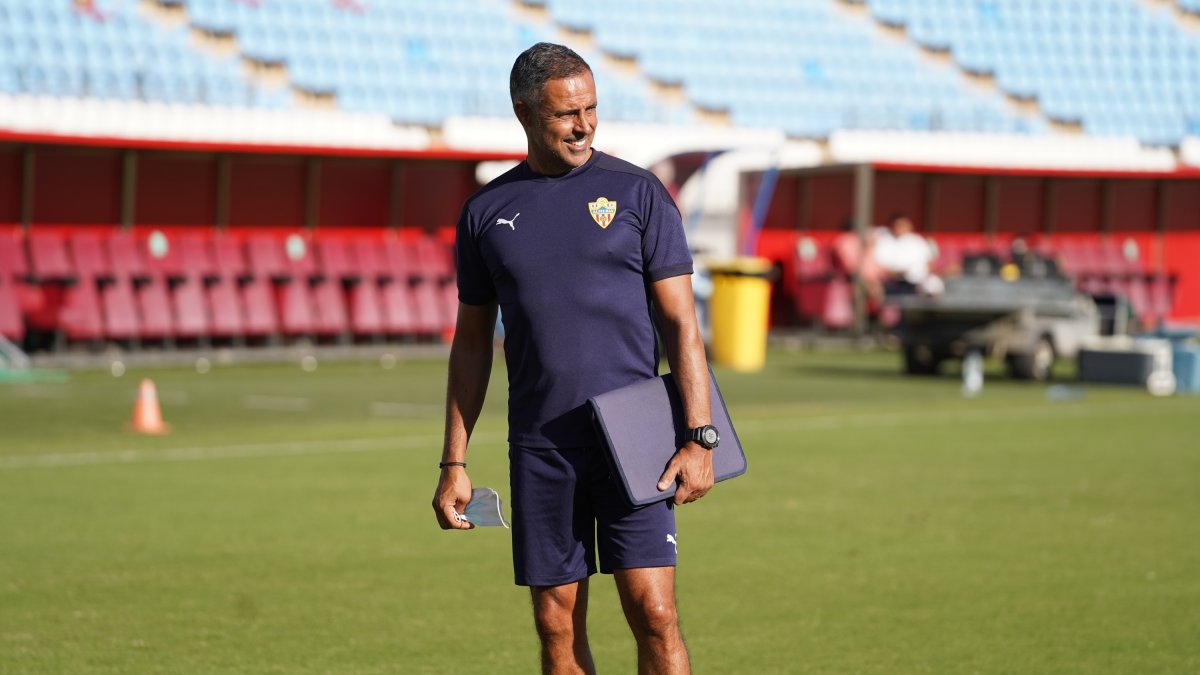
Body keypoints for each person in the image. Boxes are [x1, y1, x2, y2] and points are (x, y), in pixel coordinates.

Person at [432, 43, 716, 674]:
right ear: (525, 113)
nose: (585, 125)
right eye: (567, 114)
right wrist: (455, 459)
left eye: (591, 108)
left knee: (655, 615)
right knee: (556, 628)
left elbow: (680, 323)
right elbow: (472, 342)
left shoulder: (639, 193)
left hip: (638, 438)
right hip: (542, 445)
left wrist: (700, 436)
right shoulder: (485, 213)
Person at [872, 213, 943, 296]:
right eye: (898, 225)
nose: (901, 228)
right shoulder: (884, 241)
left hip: (918, 281)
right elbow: (880, 265)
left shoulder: (918, 241)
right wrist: (895, 273)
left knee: (933, 285)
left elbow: (930, 263)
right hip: (893, 282)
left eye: (904, 225)